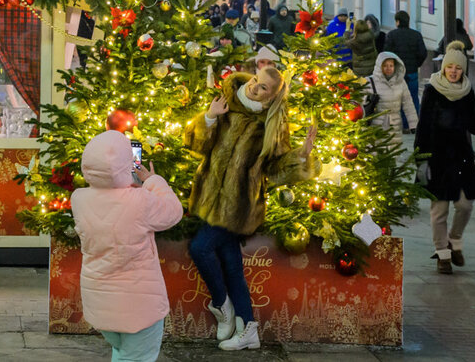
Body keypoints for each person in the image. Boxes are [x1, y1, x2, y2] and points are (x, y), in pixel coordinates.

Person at [184, 67, 318, 351]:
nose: (256, 87)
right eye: (256, 81)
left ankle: (222, 305)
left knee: (200, 248)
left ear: (271, 98)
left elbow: (275, 170)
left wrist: (301, 156)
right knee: (232, 265)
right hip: (209, 198)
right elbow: (196, 145)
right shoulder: (227, 102)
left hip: (239, 207)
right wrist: (209, 117)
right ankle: (248, 328)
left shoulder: (271, 125)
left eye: (264, 88)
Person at [70, 129, 183, 362]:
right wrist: (152, 180)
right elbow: (173, 211)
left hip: (101, 305)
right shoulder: (140, 201)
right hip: (140, 308)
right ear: (126, 166)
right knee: (137, 357)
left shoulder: (78, 199)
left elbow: (112, 202)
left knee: (122, 352)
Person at [415, 42, 475, 274]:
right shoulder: (432, 90)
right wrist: (421, 159)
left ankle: (454, 240)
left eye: (458, 68)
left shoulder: (467, 92)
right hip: (437, 157)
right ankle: (442, 254)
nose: (454, 71)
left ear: (463, 70)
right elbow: (423, 126)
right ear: (444, 68)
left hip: (461, 157)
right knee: (440, 209)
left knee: (465, 205)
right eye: (450, 67)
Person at [365, 52, 418, 142]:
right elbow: (361, 103)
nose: (388, 68)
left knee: (394, 151)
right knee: (376, 151)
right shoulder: (370, 81)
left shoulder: (400, 82)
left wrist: (413, 124)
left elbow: (408, 104)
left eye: (391, 65)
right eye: (385, 65)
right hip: (375, 124)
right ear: (379, 66)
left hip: (395, 124)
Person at [385, 10, 428, 119]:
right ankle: (413, 123)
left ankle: (403, 123)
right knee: (413, 97)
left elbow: (386, 53)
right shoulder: (416, 35)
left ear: (398, 21)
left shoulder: (392, 35)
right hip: (412, 71)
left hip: (397, 73)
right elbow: (423, 53)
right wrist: (416, 64)